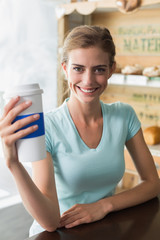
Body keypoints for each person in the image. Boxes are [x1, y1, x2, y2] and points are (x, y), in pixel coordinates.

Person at [0, 25, 160, 236]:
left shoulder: (124, 116)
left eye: (99, 69)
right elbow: (49, 222)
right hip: (55, 234)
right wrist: (13, 164)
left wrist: (104, 206)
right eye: (78, 68)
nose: (88, 80)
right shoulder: (47, 127)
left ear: (111, 69)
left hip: (103, 228)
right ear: (65, 68)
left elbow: (152, 184)